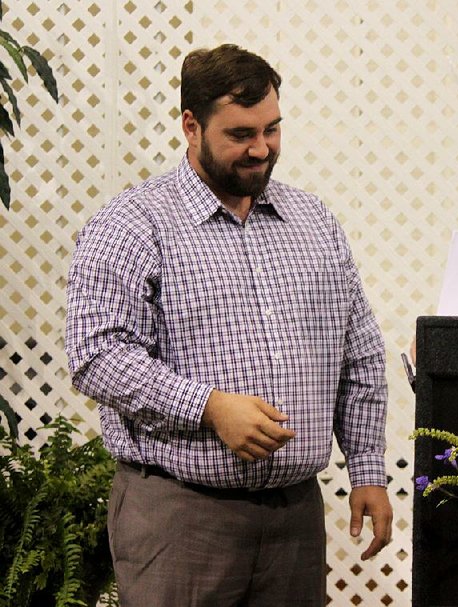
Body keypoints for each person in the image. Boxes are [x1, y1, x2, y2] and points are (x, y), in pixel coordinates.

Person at [65, 44, 392, 606]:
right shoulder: (132, 225)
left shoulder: (314, 223)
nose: (262, 149)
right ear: (191, 126)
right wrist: (209, 406)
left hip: (295, 517)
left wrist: (367, 470)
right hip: (178, 517)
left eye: (273, 129)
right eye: (241, 134)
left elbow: (358, 355)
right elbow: (97, 355)